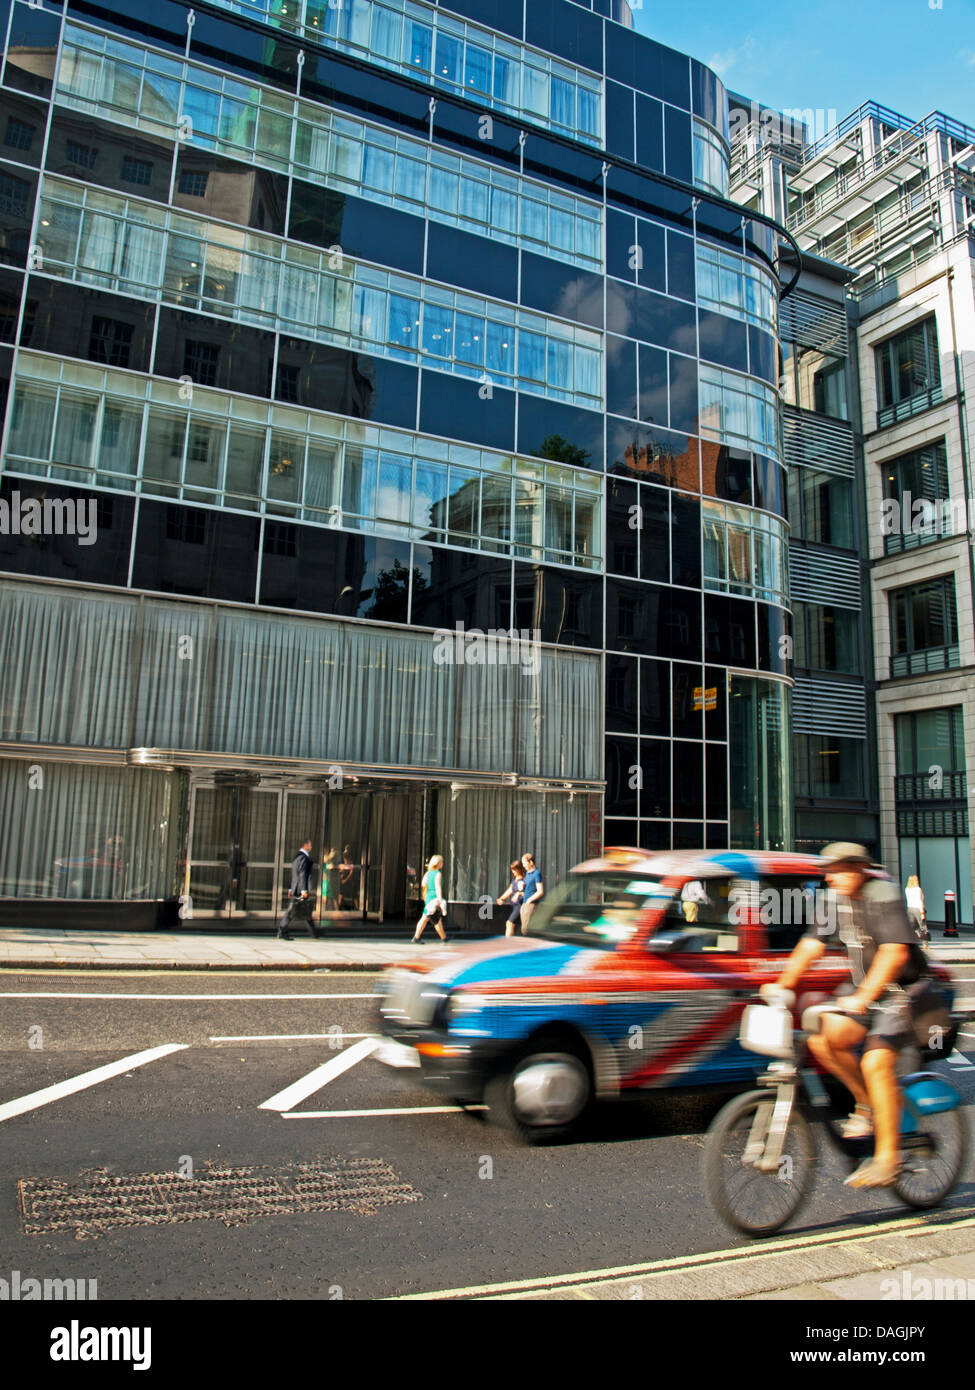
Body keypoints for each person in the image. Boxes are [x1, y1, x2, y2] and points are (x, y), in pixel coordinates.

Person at [761, 842, 928, 1189]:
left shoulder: (883, 892)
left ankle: (887, 1159)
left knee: (875, 1061)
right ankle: (867, 1106)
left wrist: (864, 996)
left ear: (858, 869)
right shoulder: (834, 898)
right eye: (829, 871)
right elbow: (812, 943)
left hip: (903, 992)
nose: (831, 877)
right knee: (823, 1039)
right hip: (865, 992)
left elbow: (894, 952)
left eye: (838, 871)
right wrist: (783, 985)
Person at [277, 838, 321, 940]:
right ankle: (282, 930)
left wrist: (290, 888)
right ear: (305, 845)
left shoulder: (297, 856)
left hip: (296, 887)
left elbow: (294, 874)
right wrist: (304, 890)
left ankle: (314, 932)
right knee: (292, 911)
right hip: (300, 888)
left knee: (304, 911)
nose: (311, 847)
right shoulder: (303, 857)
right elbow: (302, 874)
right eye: (310, 845)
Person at [413, 855, 447, 943]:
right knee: (430, 917)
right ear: (438, 863)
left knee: (432, 917)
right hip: (434, 897)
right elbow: (438, 887)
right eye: (441, 861)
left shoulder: (428, 873)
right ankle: (416, 937)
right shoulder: (438, 874)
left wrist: (425, 896)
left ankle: (444, 938)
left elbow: (423, 885)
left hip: (428, 896)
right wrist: (440, 899)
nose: (442, 863)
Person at [497, 860, 525, 938]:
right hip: (514, 905)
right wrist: (502, 898)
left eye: (514, 870)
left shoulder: (524, 880)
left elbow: (526, 893)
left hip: (520, 905)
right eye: (512, 870)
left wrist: (518, 894)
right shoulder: (515, 879)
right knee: (513, 924)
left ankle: (507, 942)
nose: (513, 872)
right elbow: (510, 889)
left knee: (510, 923)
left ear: (519, 869)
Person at [519, 852, 544, 934]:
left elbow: (540, 891)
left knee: (526, 929)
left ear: (531, 862)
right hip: (525, 903)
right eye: (523, 863)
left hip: (531, 904)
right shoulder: (527, 874)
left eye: (525, 863)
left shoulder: (537, 873)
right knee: (524, 928)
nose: (523, 865)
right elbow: (528, 888)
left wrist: (530, 900)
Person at [905, 874, 928, 943]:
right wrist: (922, 912)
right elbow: (920, 901)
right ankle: (925, 943)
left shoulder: (907, 889)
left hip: (910, 909)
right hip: (918, 909)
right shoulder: (918, 889)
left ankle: (909, 941)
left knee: (911, 926)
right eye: (917, 879)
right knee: (923, 926)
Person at [322, 847, 340, 916]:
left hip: (328, 883)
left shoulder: (330, 864)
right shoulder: (330, 864)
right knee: (332, 899)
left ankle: (335, 913)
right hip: (327, 883)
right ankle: (335, 912)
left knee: (330, 899)